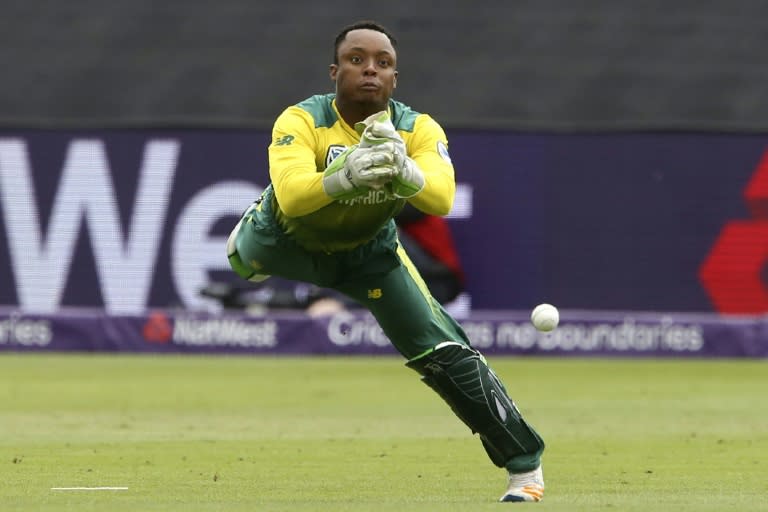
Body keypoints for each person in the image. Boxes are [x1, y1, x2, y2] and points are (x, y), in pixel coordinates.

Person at [226, 20, 545, 503]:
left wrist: (406, 172)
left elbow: (440, 199)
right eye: (356, 60)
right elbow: (292, 199)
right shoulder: (301, 120)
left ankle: (525, 468)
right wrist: (345, 176)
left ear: (395, 79)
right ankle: (245, 242)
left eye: (383, 63)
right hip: (284, 239)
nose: (370, 70)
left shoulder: (417, 129)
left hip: (368, 253)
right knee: (241, 260)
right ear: (334, 72)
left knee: (442, 353)